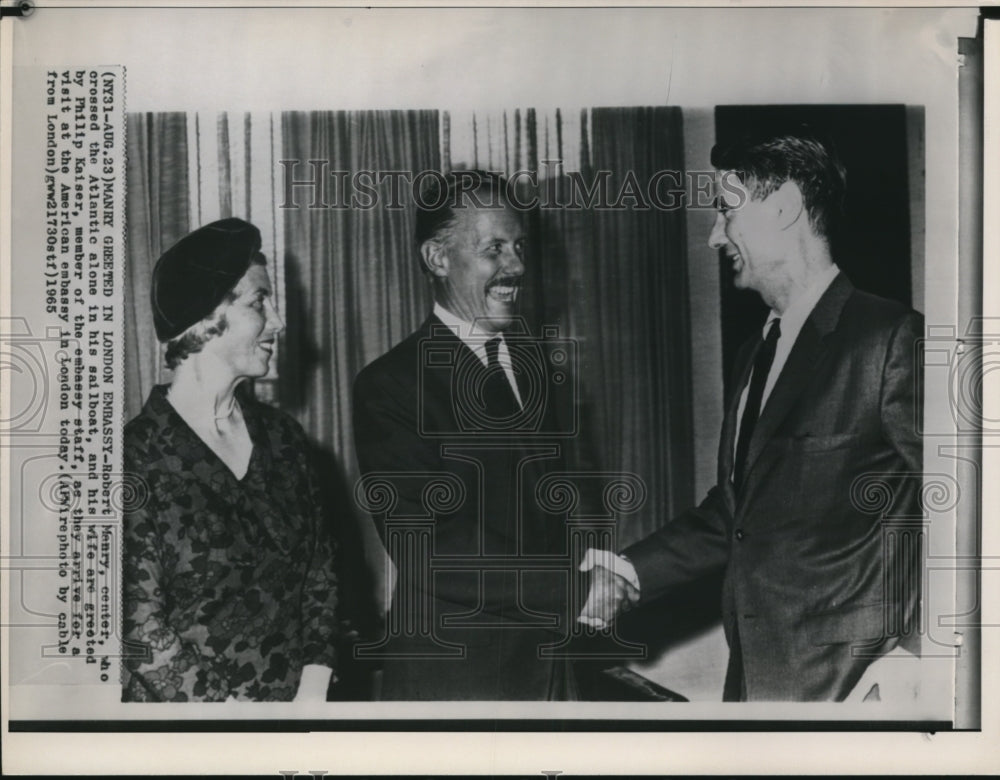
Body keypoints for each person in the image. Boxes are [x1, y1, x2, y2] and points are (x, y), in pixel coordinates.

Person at [580, 131, 924, 702]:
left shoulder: (889, 339)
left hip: (853, 694)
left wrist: (916, 657)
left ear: (785, 207)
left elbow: (968, 510)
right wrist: (629, 571)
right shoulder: (756, 351)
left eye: (724, 210)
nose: (716, 235)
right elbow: (737, 514)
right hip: (755, 688)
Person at [353, 171, 588, 700]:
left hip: (549, 667)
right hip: (457, 677)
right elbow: (428, 544)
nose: (517, 267)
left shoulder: (535, 369)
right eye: (494, 249)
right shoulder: (391, 385)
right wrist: (575, 590)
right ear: (437, 258)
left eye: (519, 246)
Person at [122, 218, 338, 702]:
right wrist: (231, 722)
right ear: (204, 320)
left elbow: (321, 575)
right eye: (260, 302)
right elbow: (136, 628)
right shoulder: (133, 461)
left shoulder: (285, 440)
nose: (278, 322)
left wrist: (313, 687)